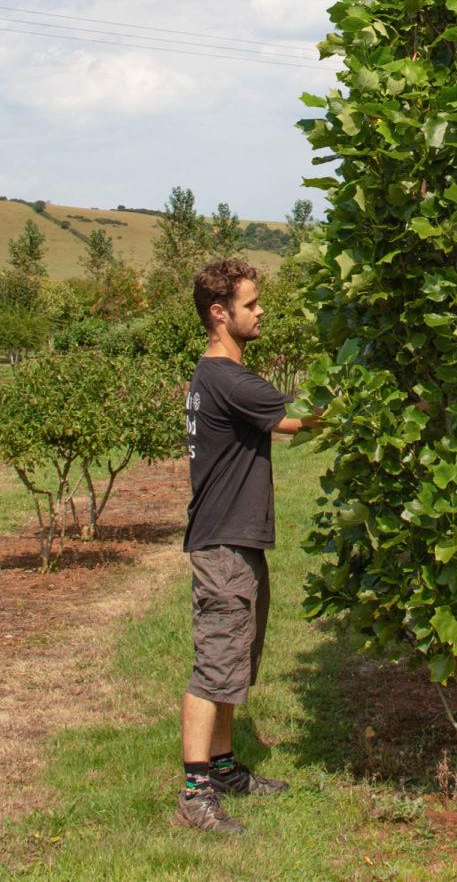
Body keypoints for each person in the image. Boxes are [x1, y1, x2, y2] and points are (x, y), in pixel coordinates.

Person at [172, 257, 324, 834]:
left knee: (234, 658)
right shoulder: (227, 376)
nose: (261, 312)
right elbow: (294, 419)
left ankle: (226, 766)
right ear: (220, 312)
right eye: (251, 304)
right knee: (214, 664)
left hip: (236, 538)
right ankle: (194, 793)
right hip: (224, 543)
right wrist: (355, 403)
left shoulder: (215, 375)